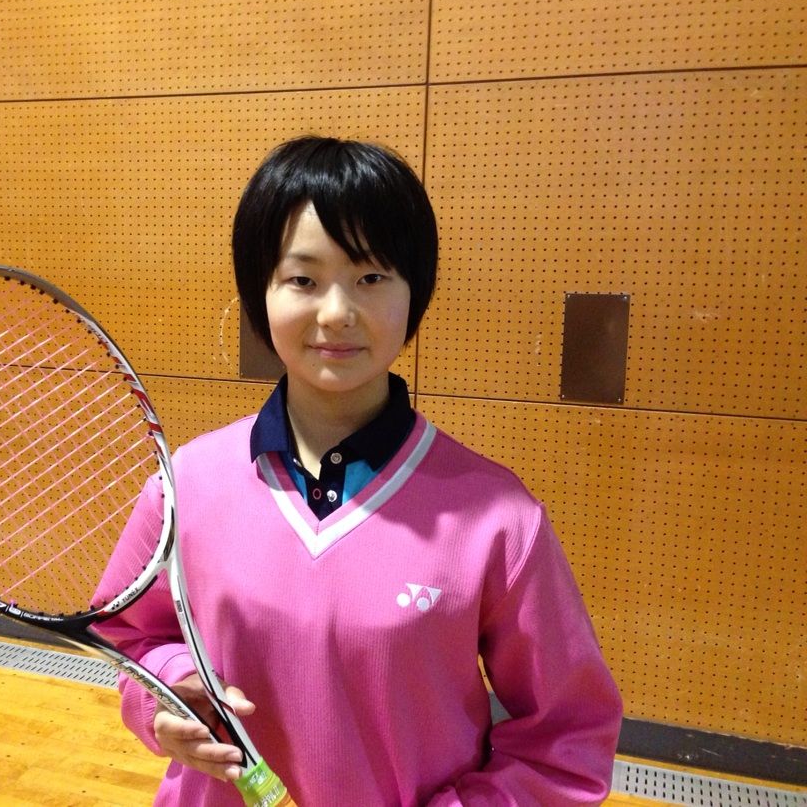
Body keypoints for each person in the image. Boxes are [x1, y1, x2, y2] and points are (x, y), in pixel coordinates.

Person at [96, 136, 623, 805]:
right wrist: (169, 693)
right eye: (303, 279)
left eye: (371, 277)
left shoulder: (499, 520)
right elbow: (130, 636)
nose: (337, 312)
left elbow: (568, 740)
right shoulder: (187, 483)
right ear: (260, 291)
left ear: (413, 292)